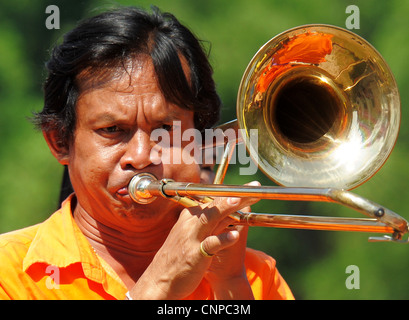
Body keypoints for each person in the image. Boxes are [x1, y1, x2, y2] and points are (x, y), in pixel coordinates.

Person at [0, 6, 294, 300]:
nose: (141, 157)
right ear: (60, 141)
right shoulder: (8, 273)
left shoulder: (256, 276)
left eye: (165, 128)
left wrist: (229, 283)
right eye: (113, 129)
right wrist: (159, 285)